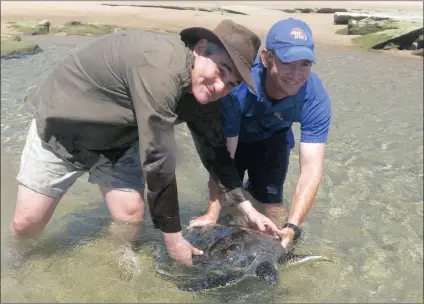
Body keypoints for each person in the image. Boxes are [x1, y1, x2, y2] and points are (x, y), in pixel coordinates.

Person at [8, 20, 281, 267]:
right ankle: (17, 264)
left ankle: (118, 261)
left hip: (121, 136)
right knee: (27, 223)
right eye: (221, 70)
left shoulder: (207, 93)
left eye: (232, 83)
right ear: (200, 49)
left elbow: (215, 152)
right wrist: (173, 239)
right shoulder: (160, 70)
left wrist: (247, 209)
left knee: (130, 216)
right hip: (65, 126)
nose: (221, 87)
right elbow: (158, 158)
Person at [190, 18, 332, 249]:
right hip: (234, 139)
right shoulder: (239, 87)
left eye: (305, 64)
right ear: (266, 58)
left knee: (273, 207)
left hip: (272, 140)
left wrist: (293, 226)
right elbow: (224, 154)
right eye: (288, 62)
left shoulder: (314, 97)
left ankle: (275, 244)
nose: (296, 74)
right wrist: (211, 213)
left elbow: (312, 169)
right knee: (228, 204)